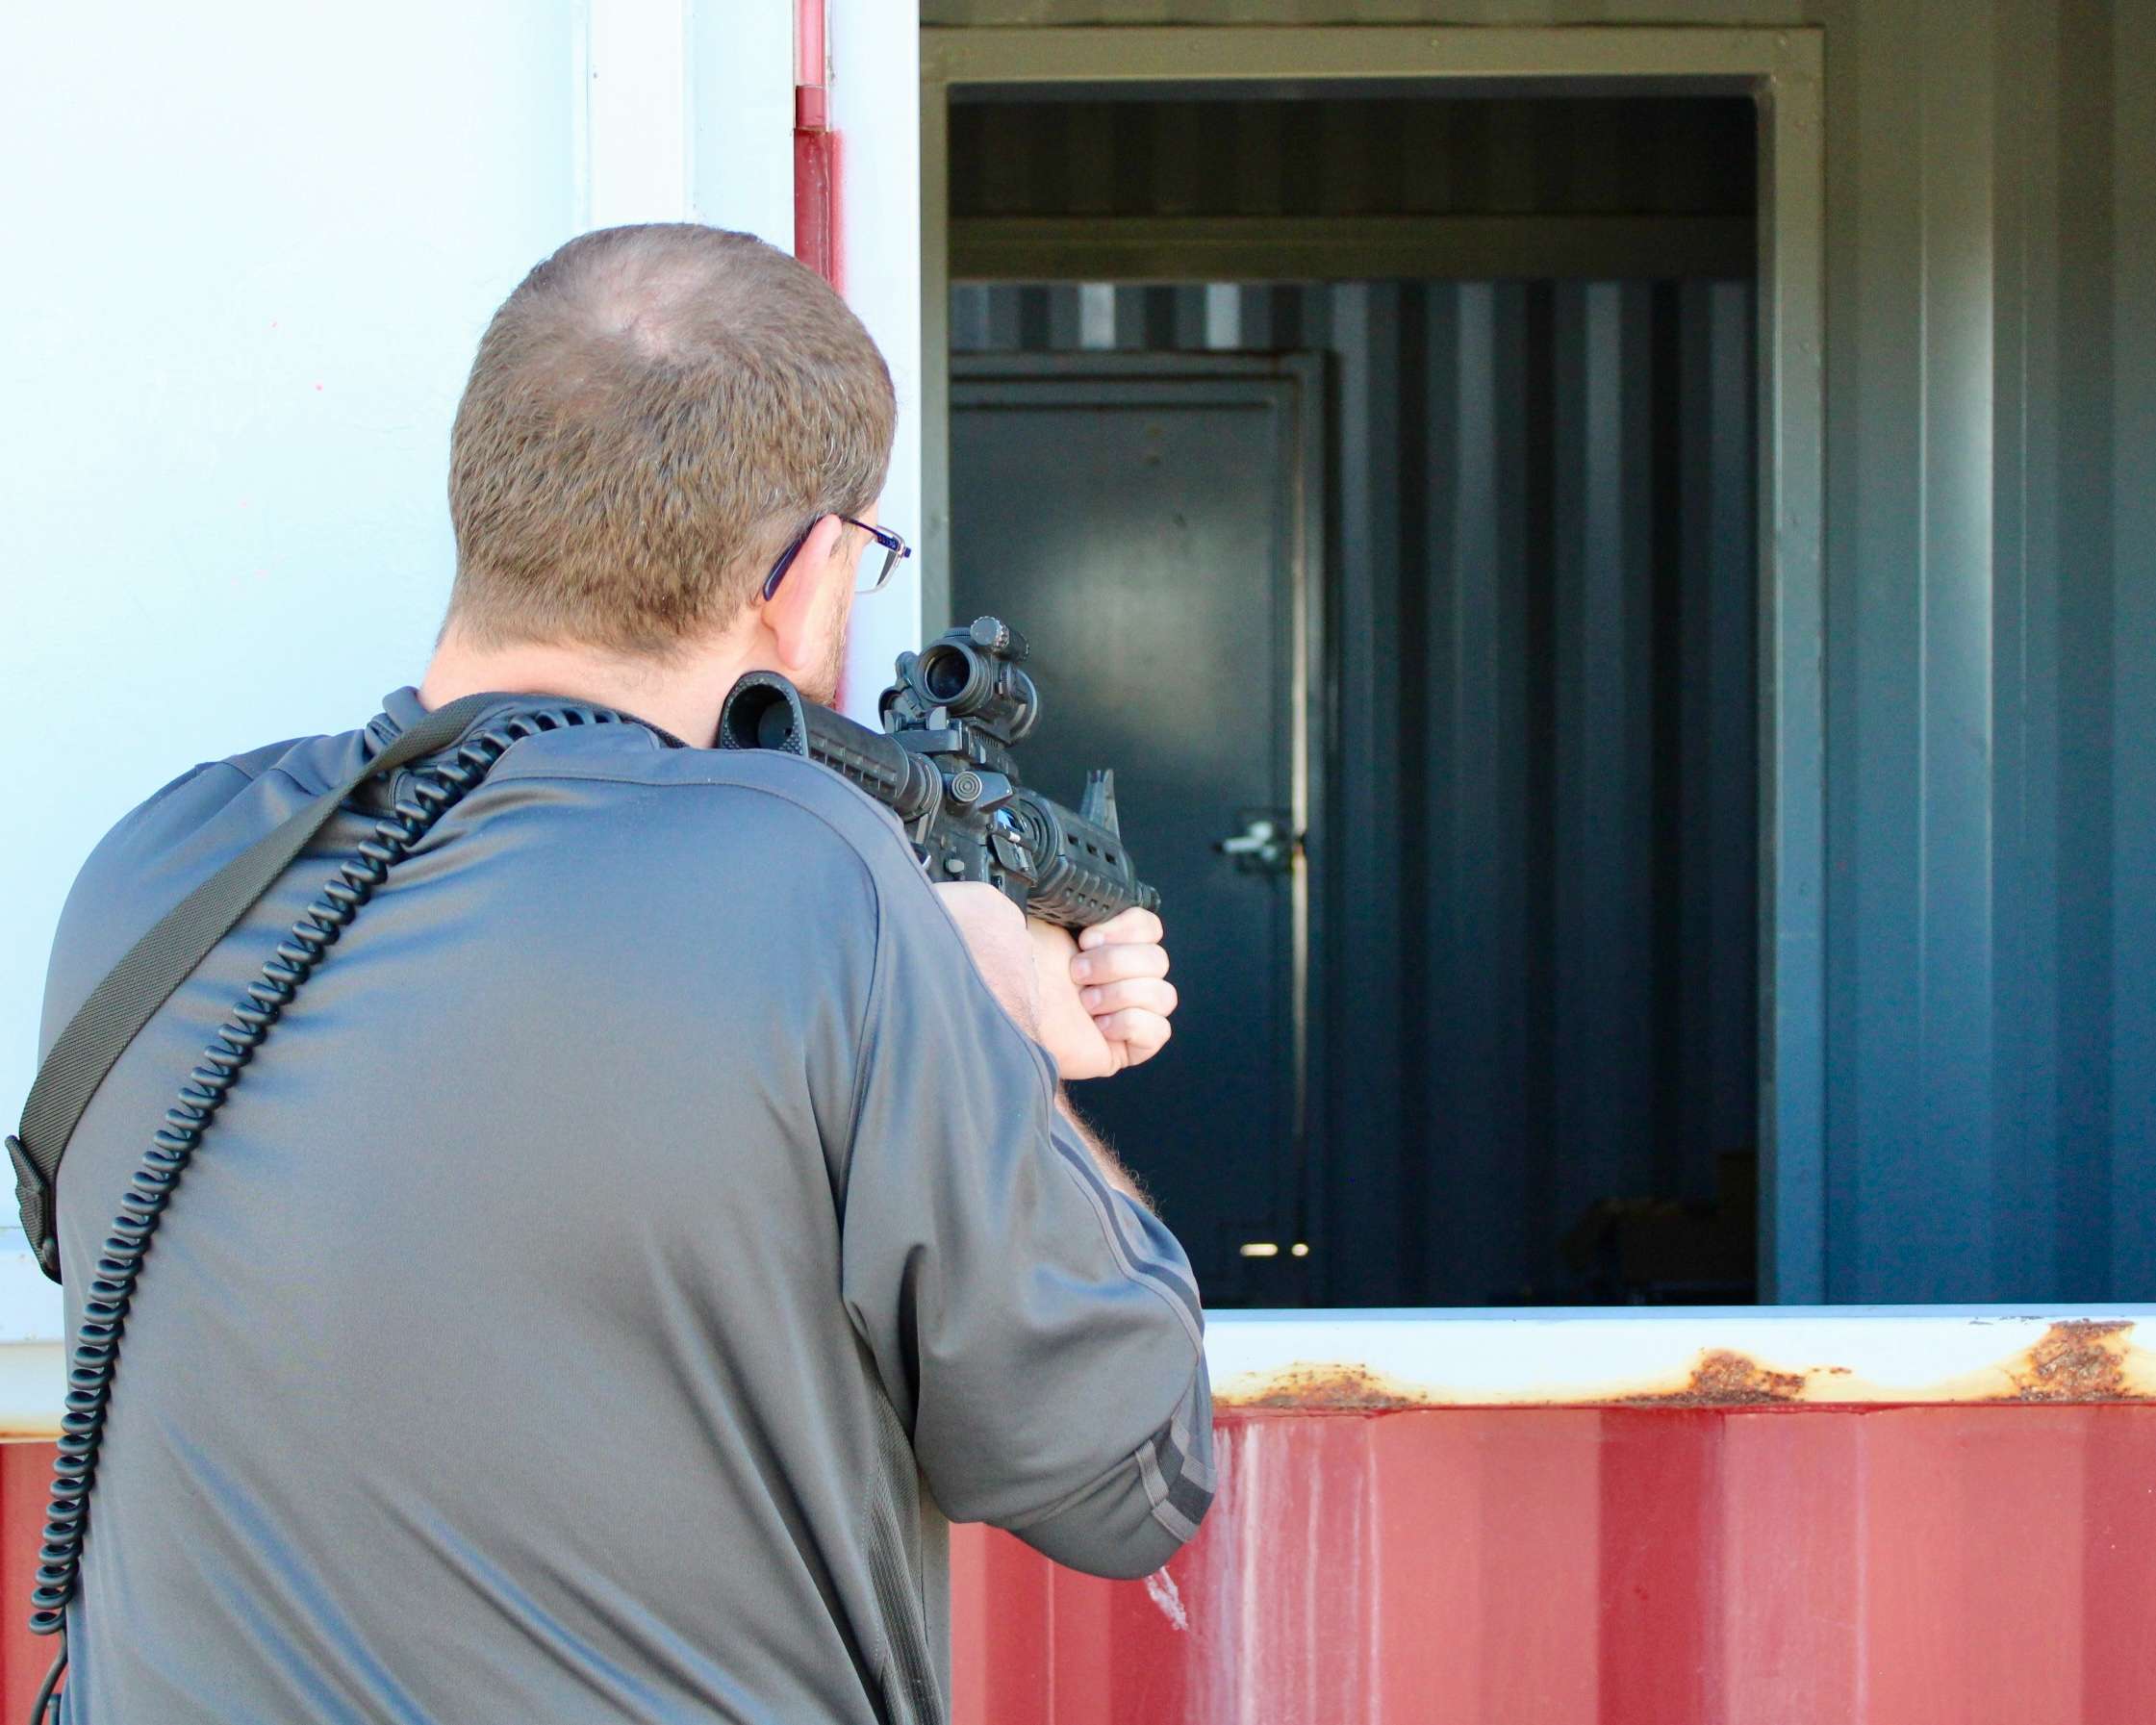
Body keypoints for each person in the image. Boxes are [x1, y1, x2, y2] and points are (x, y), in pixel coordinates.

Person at [35, 223, 1211, 1723]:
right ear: (805, 575)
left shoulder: (152, 866)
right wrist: (993, 1035)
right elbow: (1126, 1475)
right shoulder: (823, 880)